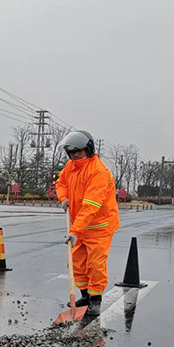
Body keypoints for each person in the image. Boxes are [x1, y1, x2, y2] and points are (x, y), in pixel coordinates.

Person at [55, 130, 119, 316]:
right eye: (71, 152)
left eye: (79, 152)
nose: (75, 155)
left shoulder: (98, 172)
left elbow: (91, 206)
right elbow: (61, 182)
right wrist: (63, 198)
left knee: (95, 264)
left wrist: (75, 231)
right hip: (79, 226)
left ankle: (96, 300)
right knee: (77, 262)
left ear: (88, 150)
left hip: (99, 227)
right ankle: (85, 295)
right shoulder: (71, 166)